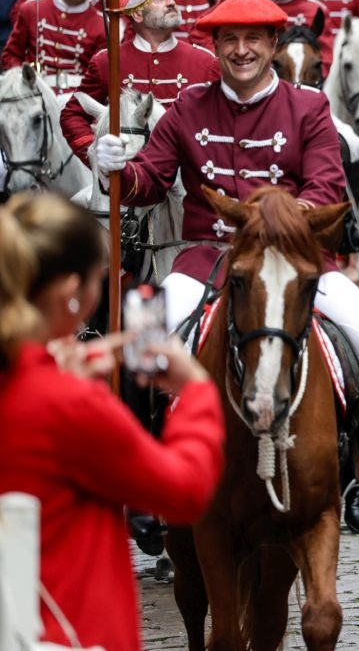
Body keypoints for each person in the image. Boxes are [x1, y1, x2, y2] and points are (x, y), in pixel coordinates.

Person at [87, 0, 359, 537]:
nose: (242, 49)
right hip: (209, 256)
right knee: (141, 339)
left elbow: (325, 185)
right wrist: (113, 167)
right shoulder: (188, 107)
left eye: (254, 38)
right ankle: (146, 483)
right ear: (216, 47)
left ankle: (357, 475)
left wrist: (283, 219)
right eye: (229, 39)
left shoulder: (308, 107)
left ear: (274, 46)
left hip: (293, 260)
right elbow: (149, 181)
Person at [0, 193, 224, 651]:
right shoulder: (70, 405)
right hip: (68, 632)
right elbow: (184, 492)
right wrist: (198, 391)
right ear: (71, 294)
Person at [59, 0, 219, 165]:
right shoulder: (107, 61)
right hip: (126, 183)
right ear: (137, 14)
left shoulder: (205, 62)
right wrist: (97, 156)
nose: (170, 3)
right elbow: (72, 115)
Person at [1, 0, 104, 100]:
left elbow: (99, 78)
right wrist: (22, 81)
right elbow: (11, 55)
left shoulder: (101, 24)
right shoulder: (32, 9)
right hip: (32, 96)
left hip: (76, 101)